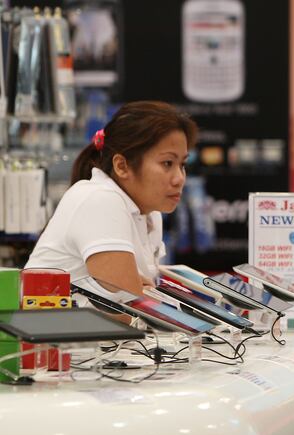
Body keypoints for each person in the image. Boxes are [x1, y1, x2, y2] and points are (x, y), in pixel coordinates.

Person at [26, 101, 197, 295]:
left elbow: (136, 306)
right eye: (167, 163)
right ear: (121, 166)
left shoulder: (151, 213)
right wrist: (143, 295)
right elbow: (129, 307)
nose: (179, 178)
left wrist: (145, 294)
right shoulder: (100, 199)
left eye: (182, 164)